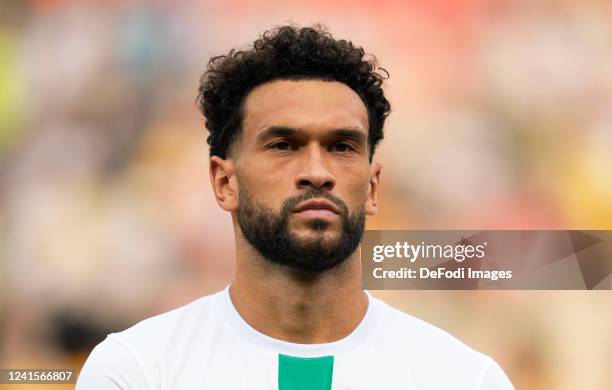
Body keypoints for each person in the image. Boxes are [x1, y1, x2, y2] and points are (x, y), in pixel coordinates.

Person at [77, 25, 514, 389]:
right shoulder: (137, 371)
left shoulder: (463, 379)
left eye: (342, 146)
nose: (317, 172)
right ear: (224, 182)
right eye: (284, 145)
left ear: (373, 187)